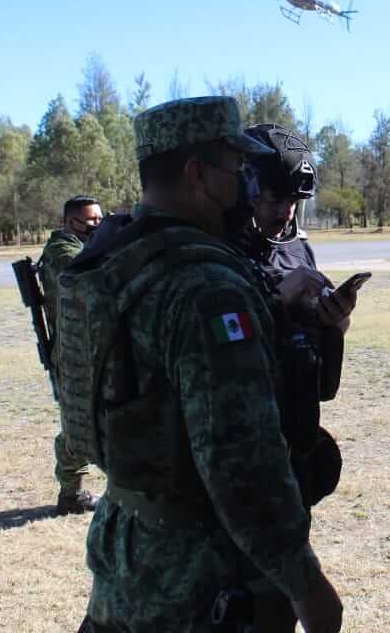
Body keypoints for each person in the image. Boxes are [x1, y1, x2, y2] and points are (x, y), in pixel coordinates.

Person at [73, 97, 343, 633]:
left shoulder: (117, 258)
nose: (244, 181)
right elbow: (242, 461)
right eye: (234, 166)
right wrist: (304, 584)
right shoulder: (206, 287)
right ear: (197, 173)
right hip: (199, 574)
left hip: (124, 540)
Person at [237, 124, 356, 526]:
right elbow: (214, 343)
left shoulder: (296, 245)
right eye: (275, 197)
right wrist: (277, 298)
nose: (286, 210)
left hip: (295, 429)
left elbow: (320, 334)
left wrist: (336, 319)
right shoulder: (215, 251)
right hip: (242, 444)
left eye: (293, 200)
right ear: (246, 188)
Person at [38, 194, 104, 515]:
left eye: (100, 219)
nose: (98, 225)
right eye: (92, 220)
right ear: (70, 222)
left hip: (86, 348)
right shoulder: (61, 251)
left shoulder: (82, 246)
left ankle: (72, 492)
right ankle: (70, 492)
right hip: (72, 354)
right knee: (79, 424)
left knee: (88, 420)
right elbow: (87, 274)